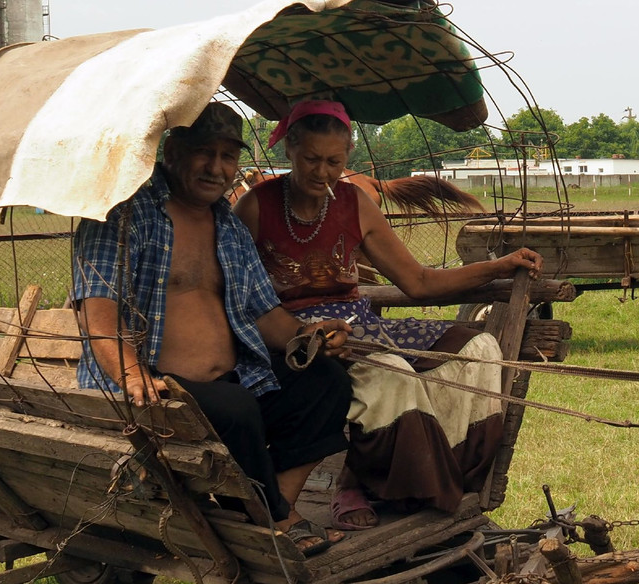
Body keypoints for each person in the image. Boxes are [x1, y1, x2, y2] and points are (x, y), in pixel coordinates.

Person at [234, 100, 542, 529]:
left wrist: (498, 266)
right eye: (311, 160)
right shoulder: (254, 207)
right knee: (389, 370)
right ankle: (362, 486)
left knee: (478, 348)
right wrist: (303, 334)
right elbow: (237, 298)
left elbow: (417, 281)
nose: (322, 173)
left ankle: (449, 476)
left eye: (334, 162)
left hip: (362, 326)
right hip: (296, 340)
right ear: (289, 150)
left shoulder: (354, 202)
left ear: (347, 158)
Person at [72, 102, 352, 554]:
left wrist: (312, 335)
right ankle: (279, 518)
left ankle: (262, 510)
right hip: (155, 386)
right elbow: (97, 313)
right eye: (204, 152)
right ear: (172, 151)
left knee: (327, 383)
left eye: (228, 156)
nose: (216, 168)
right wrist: (130, 374)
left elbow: (268, 317)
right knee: (235, 408)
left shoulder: (230, 226)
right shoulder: (123, 215)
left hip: (235, 379)